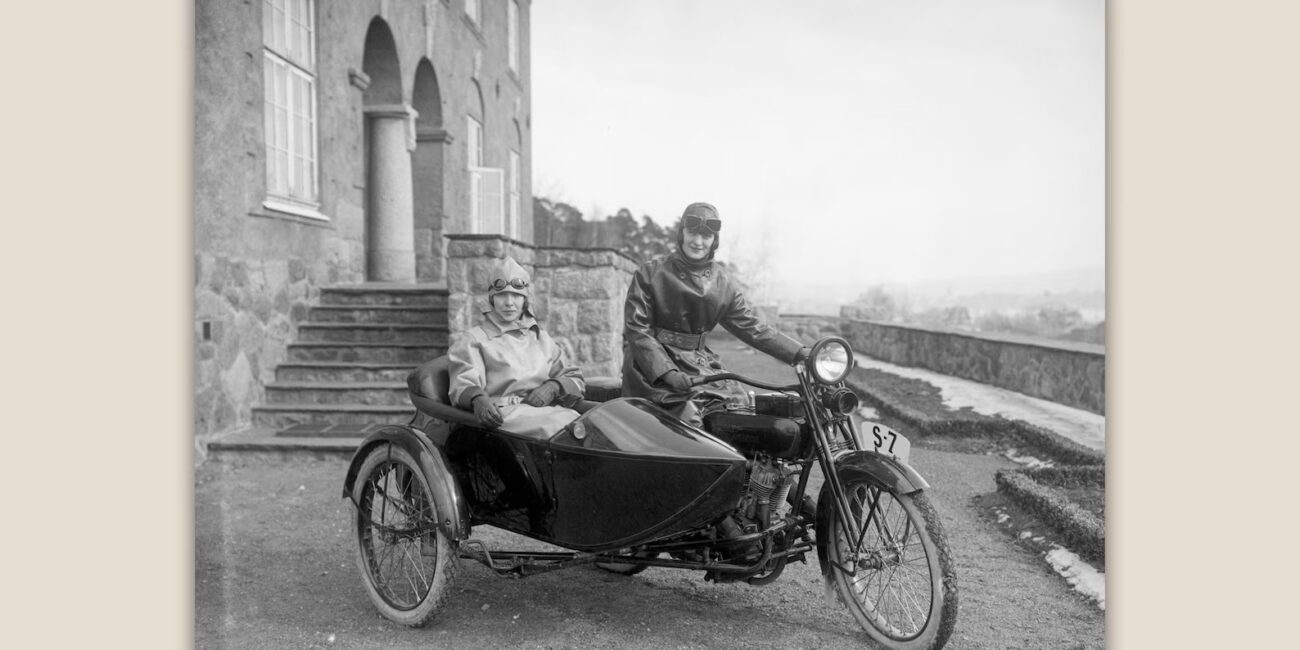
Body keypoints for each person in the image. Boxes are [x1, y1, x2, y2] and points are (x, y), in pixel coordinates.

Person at [622, 201, 810, 427]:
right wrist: (667, 372)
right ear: (682, 233)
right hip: (652, 371)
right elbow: (637, 329)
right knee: (688, 421)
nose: (698, 242)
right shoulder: (650, 273)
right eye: (692, 233)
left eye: (706, 236)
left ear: (714, 240)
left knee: (740, 409)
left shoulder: (722, 282)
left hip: (698, 365)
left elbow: (752, 327)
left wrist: (799, 353)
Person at [447, 257, 585, 438]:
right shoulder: (474, 340)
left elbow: (574, 377)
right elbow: (462, 385)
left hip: (544, 411)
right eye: (501, 295)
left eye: (516, 295)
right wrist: (478, 399)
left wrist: (553, 386)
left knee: (587, 424)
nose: (509, 303)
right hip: (501, 417)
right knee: (562, 428)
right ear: (492, 299)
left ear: (525, 299)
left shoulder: (541, 338)